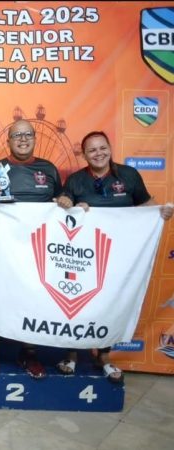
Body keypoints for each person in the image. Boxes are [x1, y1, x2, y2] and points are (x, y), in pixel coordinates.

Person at [55, 130, 174, 383]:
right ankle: (72, 355)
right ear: (84, 154)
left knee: (111, 302)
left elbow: (146, 204)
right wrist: (69, 204)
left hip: (120, 253)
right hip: (84, 254)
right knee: (77, 301)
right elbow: (64, 206)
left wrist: (160, 213)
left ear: (110, 148)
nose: (98, 153)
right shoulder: (76, 180)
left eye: (102, 148)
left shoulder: (129, 175)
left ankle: (104, 356)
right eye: (92, 150)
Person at [0, 119, 63, 379]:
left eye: (27, 134)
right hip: (3, 249)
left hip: (39, 249)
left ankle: (29, 353)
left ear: (35, 138)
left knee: (34, 299)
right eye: (17, 135)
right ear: (8, 141)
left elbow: (61, 201)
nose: (23, 139)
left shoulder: (49, 169)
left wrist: (65, 200)